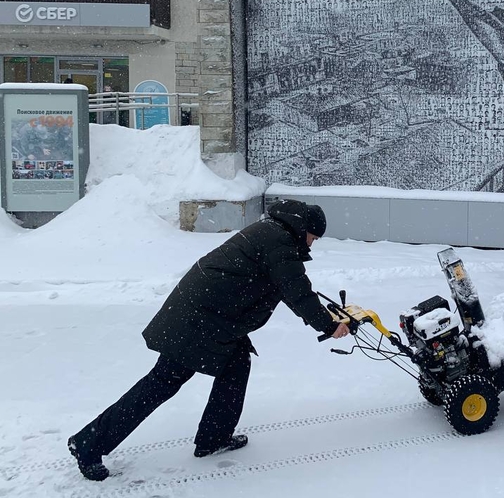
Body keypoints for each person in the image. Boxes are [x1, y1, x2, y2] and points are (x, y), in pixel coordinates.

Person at [67, 199, 350, 481]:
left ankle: (214, 438)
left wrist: (326, 317)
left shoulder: (272, 232)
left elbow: (288, 288)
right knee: (162, 382)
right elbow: (296, 289)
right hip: (201, 319)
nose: (312, 245)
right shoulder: (279, 241)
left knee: (236, 364)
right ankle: (88, 444)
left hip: (208, 316)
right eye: (313, 238)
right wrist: (328, 325)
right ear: (303, 229)